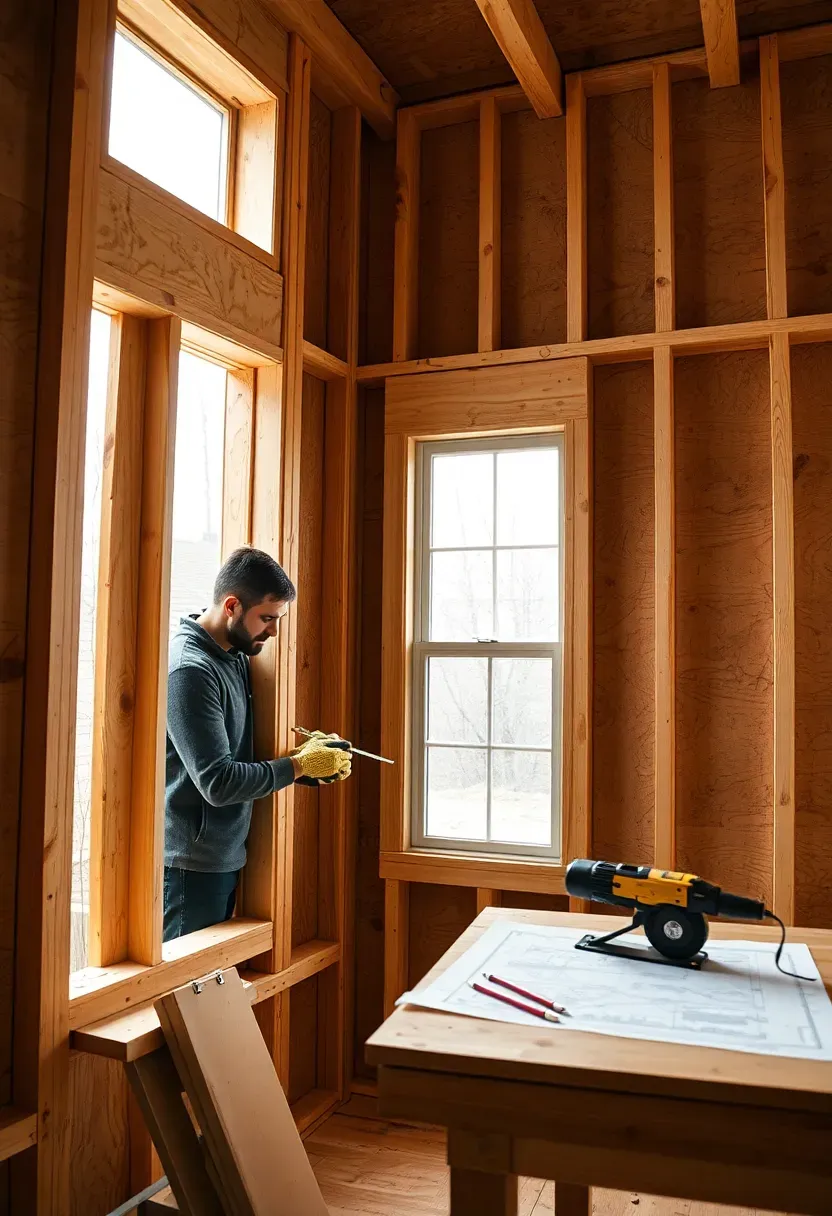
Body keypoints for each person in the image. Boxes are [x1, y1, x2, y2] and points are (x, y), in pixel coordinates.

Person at [164, 546, 351, 941]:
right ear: (232, 605)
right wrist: (298, 766)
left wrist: (304, 762)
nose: (274, 631)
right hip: (191, 866)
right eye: (267, 618)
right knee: (181, 997)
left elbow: (236, 751)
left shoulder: (233, 653)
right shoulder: (190, 671)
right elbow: (217, 782)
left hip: (224, 857)